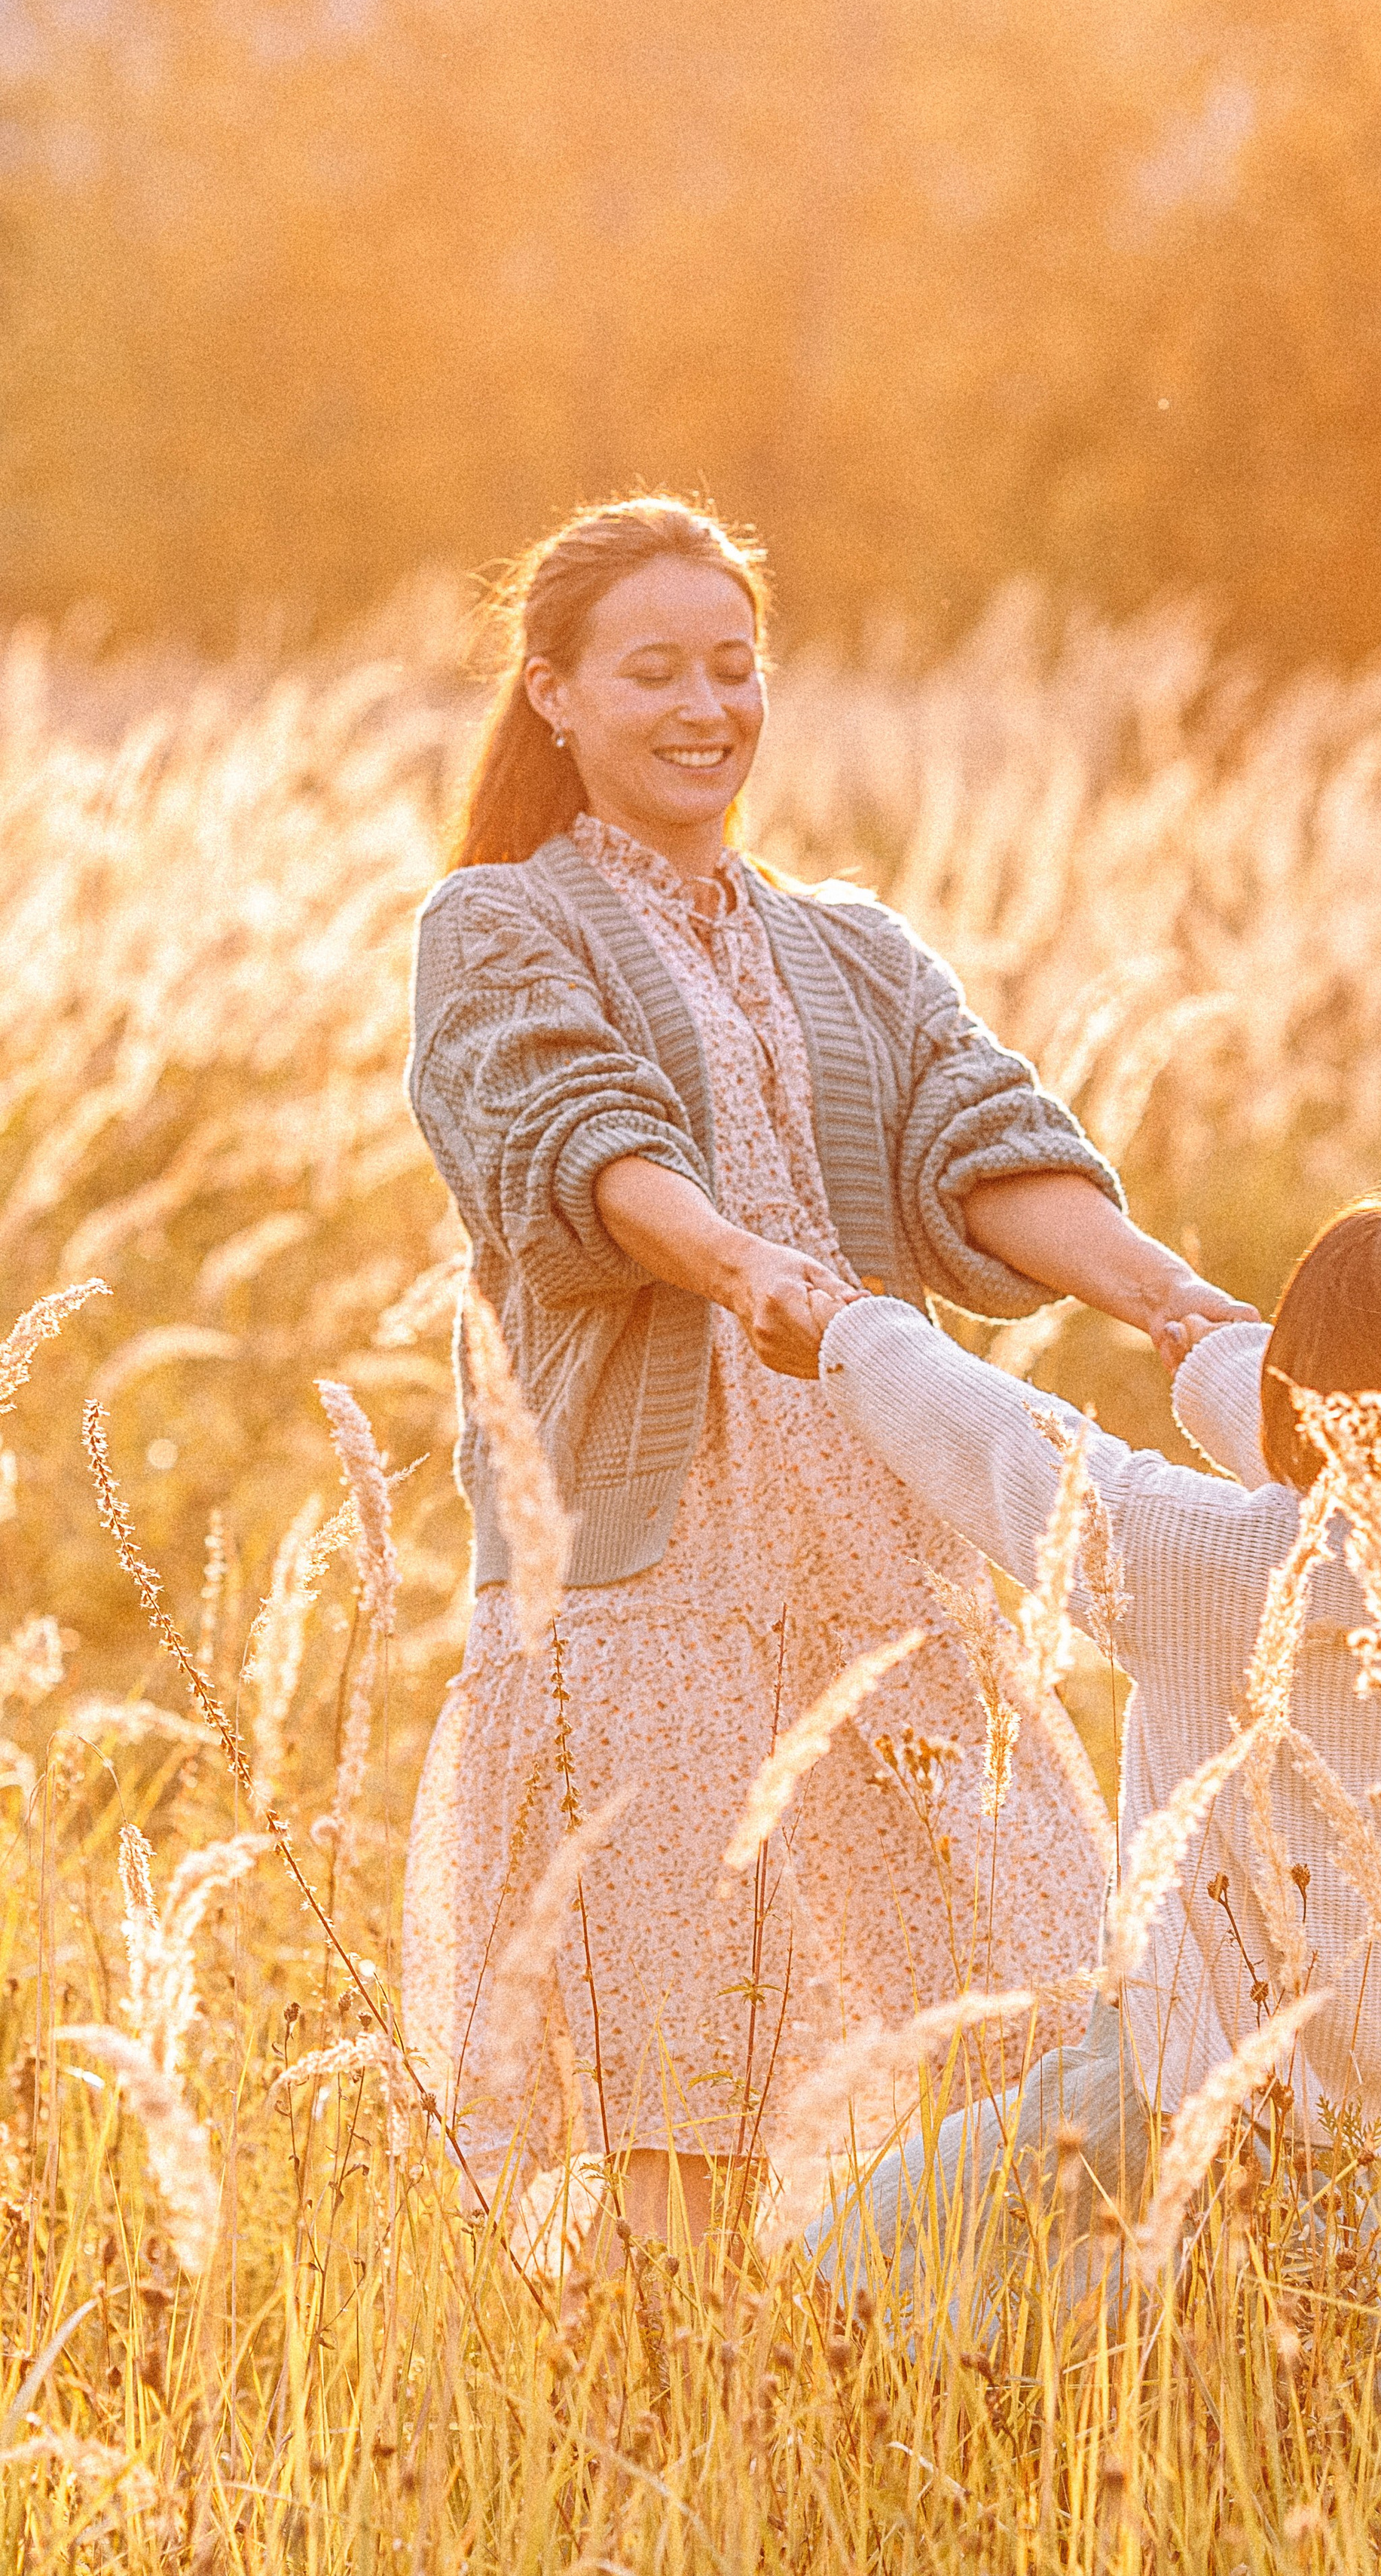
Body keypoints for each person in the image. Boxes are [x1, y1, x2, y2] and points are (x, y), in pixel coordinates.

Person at [400, 494, 1256, 2256]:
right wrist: (747, 1271)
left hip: (884, 1529)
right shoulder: (496, 927)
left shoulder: (849, 940)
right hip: (652, 1570)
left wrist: (1170, 1297)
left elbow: (977, 1138)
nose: (704, 706)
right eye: (653, 671)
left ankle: (966, 2372)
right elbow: (571, 1137)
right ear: (551, 691)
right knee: (678, 2053)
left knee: (1034, 1977)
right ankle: (672, 2426)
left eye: (734, 665)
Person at [802, 1194, 1381, 2322]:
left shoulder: (1228, 1575)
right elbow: (1350, 1482)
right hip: (1376, 2139)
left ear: (1316, 1400)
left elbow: (1024, 1456)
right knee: (1327, 2422)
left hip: (1163, 2106)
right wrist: (1219, 1352)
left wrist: (857, 1338)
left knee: (851, 2283)